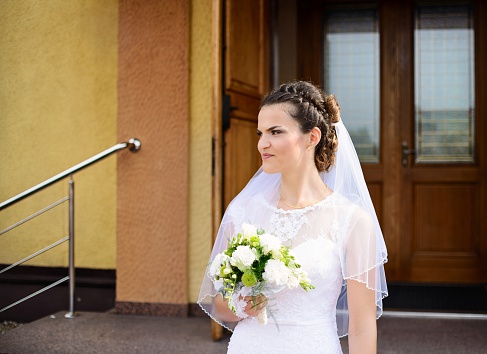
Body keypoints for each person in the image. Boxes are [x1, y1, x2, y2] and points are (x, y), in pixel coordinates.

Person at [198, 81, 388, 353]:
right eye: (260, 133)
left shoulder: (352, 220)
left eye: (275, 132)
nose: (263, 143)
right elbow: (220, 305)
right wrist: (240, 304)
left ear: (312, 137)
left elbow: (362, 327)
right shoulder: (243, 211)